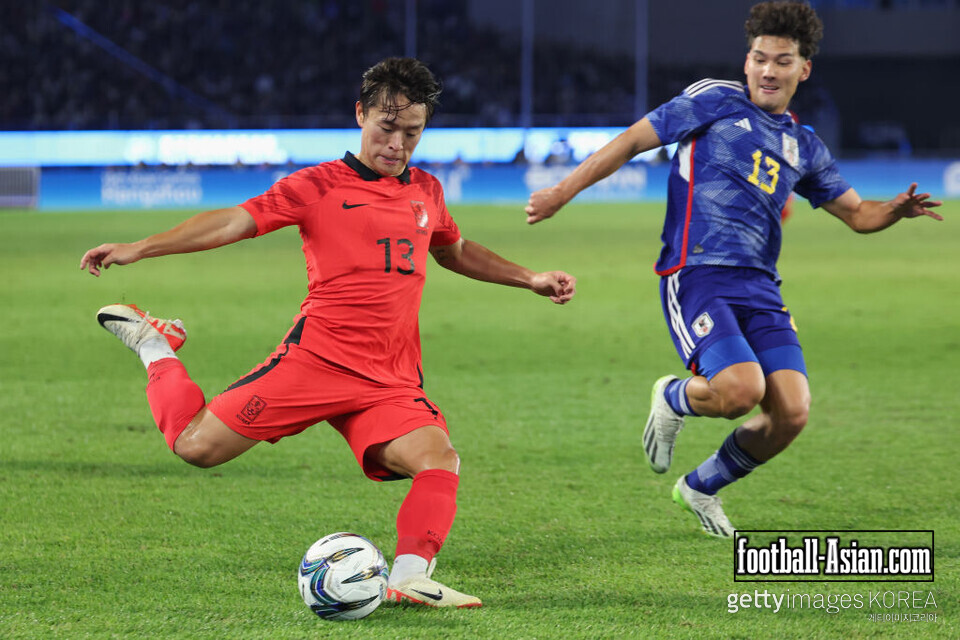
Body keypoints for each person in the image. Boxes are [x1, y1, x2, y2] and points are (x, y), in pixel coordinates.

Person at [81, 57, 576, 606]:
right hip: (314, 361)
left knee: (438, 459)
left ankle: (410, 577)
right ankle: (156, 346)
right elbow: (233, 222)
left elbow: (454, 250)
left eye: (411, 133)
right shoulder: (316, 185)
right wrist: (142, 247)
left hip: (388, 377)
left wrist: (528, 277)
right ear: (361, 114)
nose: (397, 145)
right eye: (387, 129)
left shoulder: (427, 191)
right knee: (196, 447)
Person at [524, 2, 941, 538]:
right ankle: (673, 395)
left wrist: (894, 211)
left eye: (783, 61)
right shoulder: (714, 101)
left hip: (761, 286)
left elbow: (858, 214)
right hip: (696, 274)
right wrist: (562, 192)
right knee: (740, 392)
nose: (769, 71)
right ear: (747, 62)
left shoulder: (804, 144)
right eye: (760, 58)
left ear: (803, 69)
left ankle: (700, 487)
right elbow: (632, 139)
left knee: (791, 412)